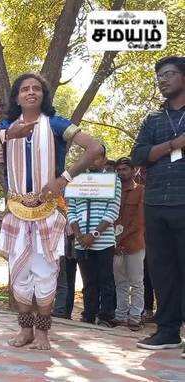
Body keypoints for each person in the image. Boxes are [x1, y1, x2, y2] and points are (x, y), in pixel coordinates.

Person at [0, 73, 102, 350]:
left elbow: (95, 147)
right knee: (19, 274)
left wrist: (63, 178)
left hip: (47, 212)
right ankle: (25, 330)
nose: (30, 92)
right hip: (16, 213)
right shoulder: (7, 126)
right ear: (16, 97)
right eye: (24, 89)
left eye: (36, 88)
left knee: (45, 273)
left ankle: (42, 334)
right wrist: (6, 134)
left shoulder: (56, 124)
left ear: (43, 95)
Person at [131, 56, 185, 353]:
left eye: (168, 74)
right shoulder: (153, 119)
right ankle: (167, 331)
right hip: (155, 203)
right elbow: (137, 154)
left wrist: (157, 153)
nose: (162, 80)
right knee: (162, 269)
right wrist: (174, 145)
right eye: (159, 76)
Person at [67, 150, 121, 327]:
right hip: (81, 241)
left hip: (103, 241)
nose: (92, 160)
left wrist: (94, 235)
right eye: (90, 157)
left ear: (104, 159)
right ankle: (88, 315)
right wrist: (79, 235)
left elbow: (113, 210)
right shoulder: (76, 181)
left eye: (97, 157)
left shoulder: (113, 181)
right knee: (88, 281)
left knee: (106, 279)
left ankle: (106, 316)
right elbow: (71, 210)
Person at [113, 156, 145, 331]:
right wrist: (114, 240)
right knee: (120, 282)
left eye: (124, 169)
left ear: (133, 171)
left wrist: (121, 238)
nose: (121, 173)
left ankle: (135, 317)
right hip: (115, 245)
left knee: (136, 282)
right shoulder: (112, 190)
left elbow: (139, 222)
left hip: (134, 244)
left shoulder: (141, 191)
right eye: (118, 170)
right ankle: (120, 316)